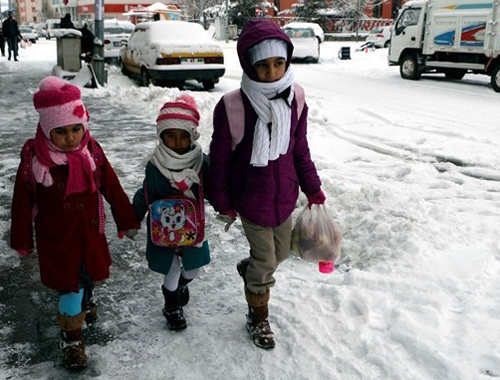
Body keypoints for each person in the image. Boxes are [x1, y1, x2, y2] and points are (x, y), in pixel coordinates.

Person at [208, 19, 326, 349]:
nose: (272, 72)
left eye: (279, 63)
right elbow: (219, 161)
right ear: (249, 66)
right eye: (263, 65)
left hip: (285, 196)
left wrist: (311, 187)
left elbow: (299, 149)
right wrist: (223, 202)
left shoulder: (296, 99)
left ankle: (250, 270)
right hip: (251, 199)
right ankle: (258, 317)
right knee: (265, 264)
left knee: (280, 256)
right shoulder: (232, 105)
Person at [10, 76, 139, 369]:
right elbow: (22, 202)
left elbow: (112, 187)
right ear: (46, 130)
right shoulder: (36, 161)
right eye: (61, 131)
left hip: (89, 234)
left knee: (87, 277)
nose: (71, 137)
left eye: (76, 129)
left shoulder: (91, 151)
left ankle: (85, 302)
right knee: (70, 287)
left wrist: (126, 219)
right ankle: (71, 339)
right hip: (57, 239)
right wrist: (22, 240)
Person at [133, 95, 210, 331]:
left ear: (192, 136)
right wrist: (132, 218)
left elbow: (215, 188)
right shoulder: (156, 165)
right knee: (172, 269)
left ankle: (181, 287)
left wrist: (226, 206)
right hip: (163, 228)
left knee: (193, 270)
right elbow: (145, 193)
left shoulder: (200, 162)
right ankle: (172, 306)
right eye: (170, 136)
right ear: (162, 136)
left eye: (183, 136)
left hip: (191, 228)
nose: (177, 142)